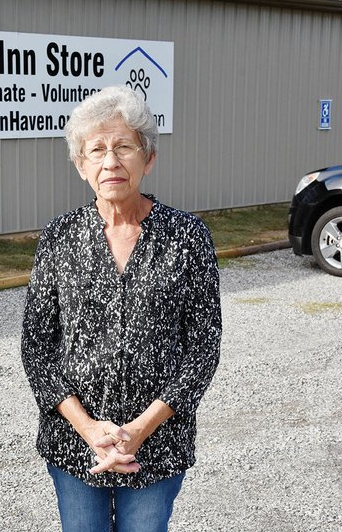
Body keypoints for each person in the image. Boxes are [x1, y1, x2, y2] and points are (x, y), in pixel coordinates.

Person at [20, 86, 222, 532]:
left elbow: (203, 348)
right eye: (96, 150)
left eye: (123, 146)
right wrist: (90, 428)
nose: (110, 161)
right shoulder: (58, 237)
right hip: (75, 442)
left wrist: (139, 430)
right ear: (81, 166)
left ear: (147, 159)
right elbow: (36, 347)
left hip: (158, 441)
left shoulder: (187, 237)